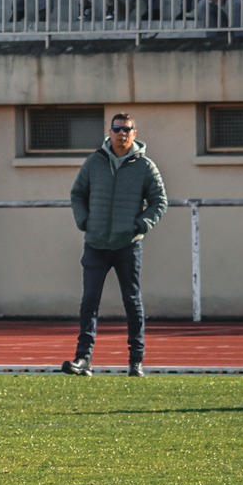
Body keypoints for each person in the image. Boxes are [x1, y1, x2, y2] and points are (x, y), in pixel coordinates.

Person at [62, 112, 167, 377]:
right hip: (96, 244)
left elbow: (159, 201)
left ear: (134, 133)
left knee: (132, 301)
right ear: (110, 132)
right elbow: (77, 194)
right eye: (117, 129)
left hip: (127, 246)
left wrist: (140, 225)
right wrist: (84, 221)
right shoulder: (94, 163)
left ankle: (136, 360)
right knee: (89, 301)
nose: (122, 134)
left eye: (126, 129)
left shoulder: (145, 166)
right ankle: (83, 359)